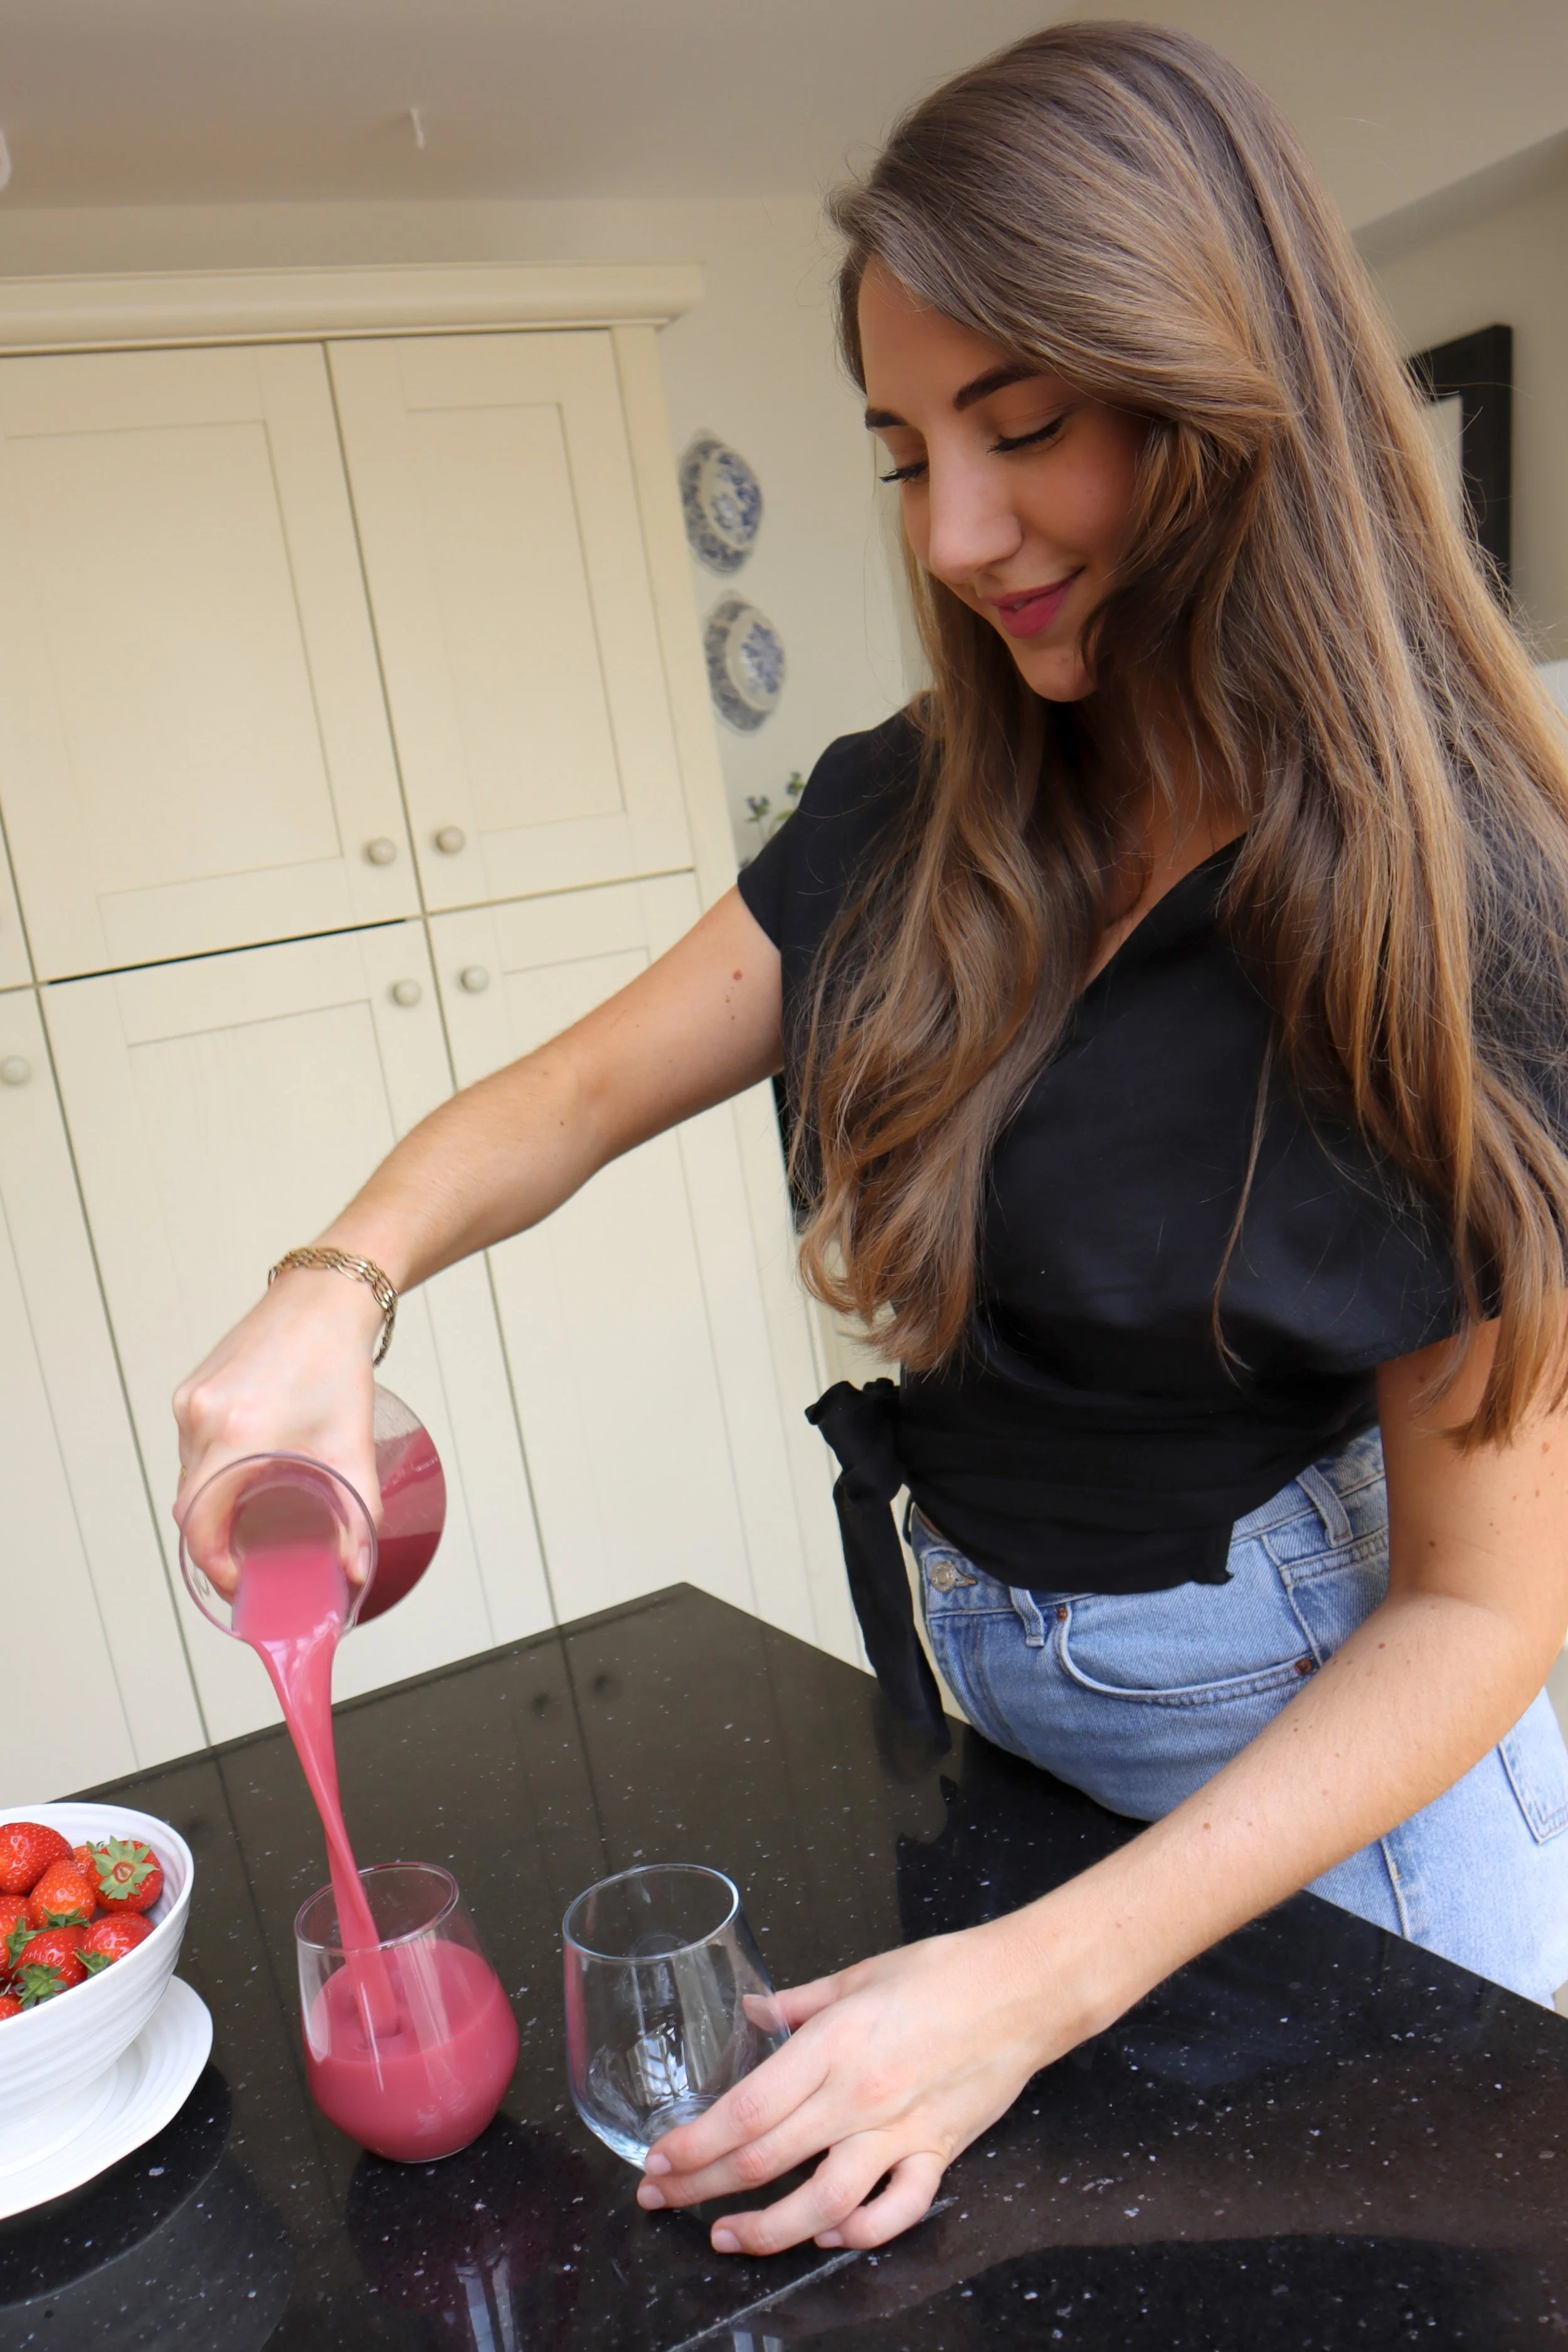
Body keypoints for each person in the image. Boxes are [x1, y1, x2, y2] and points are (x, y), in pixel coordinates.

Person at [174, 19, 1568, 2261]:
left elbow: (1489, 1604)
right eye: (905, 448)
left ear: (1223, 397)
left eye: (1021, 432)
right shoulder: (912, 807)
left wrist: (1026, 1988)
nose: (956, 529)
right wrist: (335, 1281)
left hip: (1335, 1809)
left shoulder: (1468, 911)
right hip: (1002, 1720)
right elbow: (564, 1096)